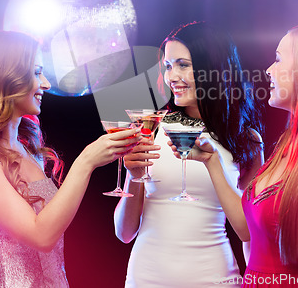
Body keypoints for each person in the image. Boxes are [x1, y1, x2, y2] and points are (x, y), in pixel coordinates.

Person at [0, 30, 141, 287]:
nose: (46, 84)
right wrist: (86, 161)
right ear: (6, 77)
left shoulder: (28, 150)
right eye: (37, 73)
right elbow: (41, 236)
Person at [176, 23, 298, 287]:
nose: (268, 70)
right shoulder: (285, 147)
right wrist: (211, 161)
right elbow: (249, 232)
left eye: (278, 59)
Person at [113, 21, 265, 287]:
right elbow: (124, 232)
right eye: (168, 66)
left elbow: (249, 233)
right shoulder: (151, 129)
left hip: (213, 278)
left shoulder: (247, 140)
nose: (172, 76)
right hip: (146, 279)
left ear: (212, 70)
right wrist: (133, 176)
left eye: (183, 65)